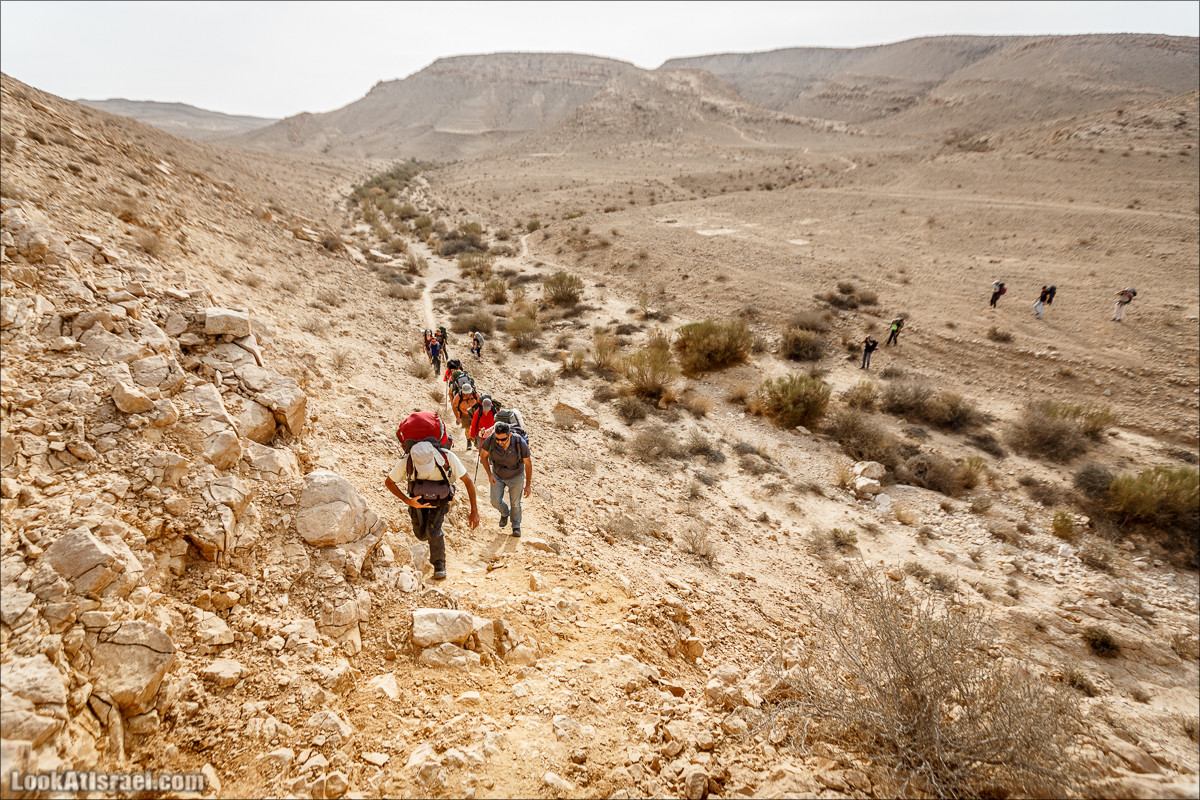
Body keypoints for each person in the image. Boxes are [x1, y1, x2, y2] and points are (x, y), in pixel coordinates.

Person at [384, 441, 480, 580]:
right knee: (421, 535)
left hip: (440, 501)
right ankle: (433, 549)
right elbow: (389, 482)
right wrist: (408, 501)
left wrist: (474, 511)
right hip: (417, 502)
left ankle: (439, 565)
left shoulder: (448, 457)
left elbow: (468, 482)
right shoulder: (408, 461)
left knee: (433, 530)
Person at [479, 421, 533, 538]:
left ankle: (516, 525)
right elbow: (483, 457)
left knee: (515, 503)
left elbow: (528, 464)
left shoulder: (519, 442)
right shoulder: (492, 440)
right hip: (497, 474)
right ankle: (505, 512)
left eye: (503, 439)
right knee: (495, 501)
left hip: (516, 475)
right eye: (498, 439)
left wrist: (528, 485)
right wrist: (489, 475)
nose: (500, 442)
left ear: (509, 435)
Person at [452, 382, 481, 449]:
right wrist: (457, 417)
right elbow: (454, 406)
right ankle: (469, 442)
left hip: (475, 414)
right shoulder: (458, 396)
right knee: (467, 429)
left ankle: (475, 441)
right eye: (466, 392)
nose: (468, 394)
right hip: (465, 415)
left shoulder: (475, 394)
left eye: (469, 392)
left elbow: (480, 403)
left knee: (476, 428)